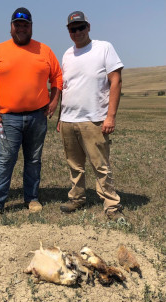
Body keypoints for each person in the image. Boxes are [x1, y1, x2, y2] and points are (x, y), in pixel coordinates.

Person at [0, 7, 62, 219]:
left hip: (37, 116)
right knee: (5, 159)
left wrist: (54, 100)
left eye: (25, 25)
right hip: (8, 117)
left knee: (33, 159)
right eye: (17, 25)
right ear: (11, 27)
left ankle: (32, 198)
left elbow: (58, 77)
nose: (21, 28)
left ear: (31, 27)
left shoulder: (44, 50)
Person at [57, 11, 124, 220]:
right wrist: (60, 117)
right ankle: (77, 198)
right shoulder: (67, 54)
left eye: (80, 27)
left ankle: (111, 205)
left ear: (88, 27)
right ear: (69, 32)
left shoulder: (104, 48)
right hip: (69, 119)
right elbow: (65, 88)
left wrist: (110, 116)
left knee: (101, 165)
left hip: (94, 118)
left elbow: (116, 81)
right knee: (74, 164)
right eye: (72, 29)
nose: (77, 32)